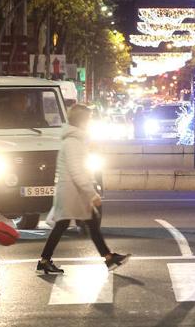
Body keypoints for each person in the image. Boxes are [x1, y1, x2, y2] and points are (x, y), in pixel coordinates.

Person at [37, 104, 129, 275]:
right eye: (88, 118)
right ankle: (108, 258)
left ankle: (108, 258)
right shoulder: (73, 142)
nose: (90, 122)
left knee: (80, 224)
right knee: (80, 224)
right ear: (81, 121)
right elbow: (77, 171)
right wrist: (91, 193)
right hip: (73, 192)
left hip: (72, 191)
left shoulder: (74, 140)